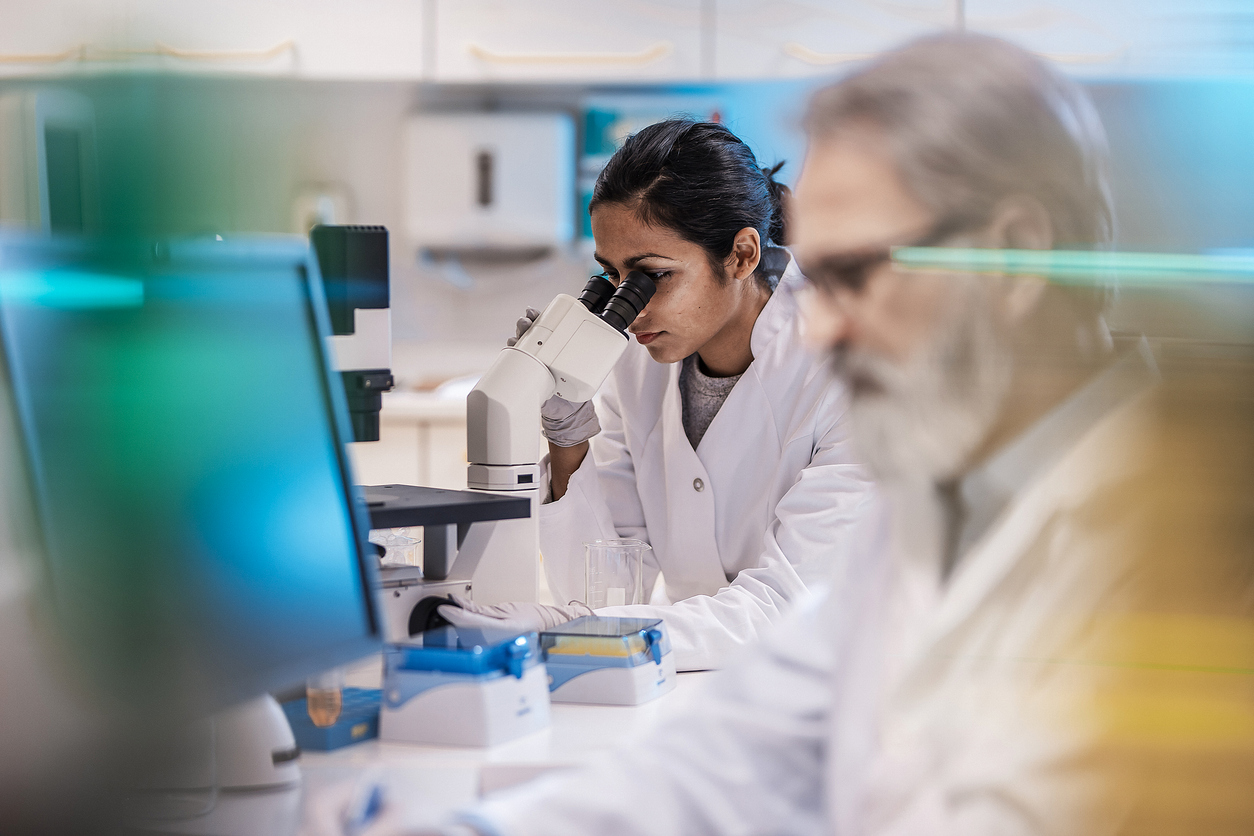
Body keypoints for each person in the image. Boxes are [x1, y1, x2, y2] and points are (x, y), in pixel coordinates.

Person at [313, 32, 1254, 836]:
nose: (823, 327)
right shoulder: (934, 512)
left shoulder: (1199, 546)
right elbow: (725, 762)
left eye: (854, 277)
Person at [443, 119, 874, 671]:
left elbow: (784, 607)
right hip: (693, 672)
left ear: (741, 255)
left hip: (836, 685)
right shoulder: (635, 365)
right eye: (612, 277)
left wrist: (577, 628)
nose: (632, 307)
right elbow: (602, 588)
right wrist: (568, 437)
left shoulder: (851, 373)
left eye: (653, 276)